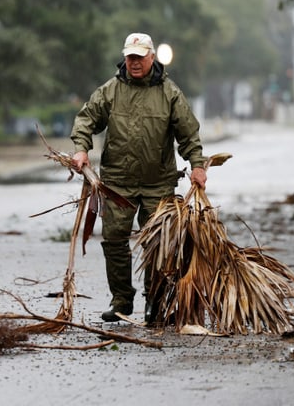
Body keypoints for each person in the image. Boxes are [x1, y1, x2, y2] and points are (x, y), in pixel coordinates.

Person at [70, 32, 207, 323]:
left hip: (158, 183)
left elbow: (188, 134)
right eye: (130, 57)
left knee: (156, 243)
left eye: (139, 57)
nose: (134, 62)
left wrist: (197, 165)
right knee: (114, 240)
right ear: (125, 57)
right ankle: (121, 300)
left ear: (151, 57)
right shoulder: (111, 90)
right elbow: (86, 119)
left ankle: (153, 302)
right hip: (117, 182)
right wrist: (81, 149)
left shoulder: (170, 93)